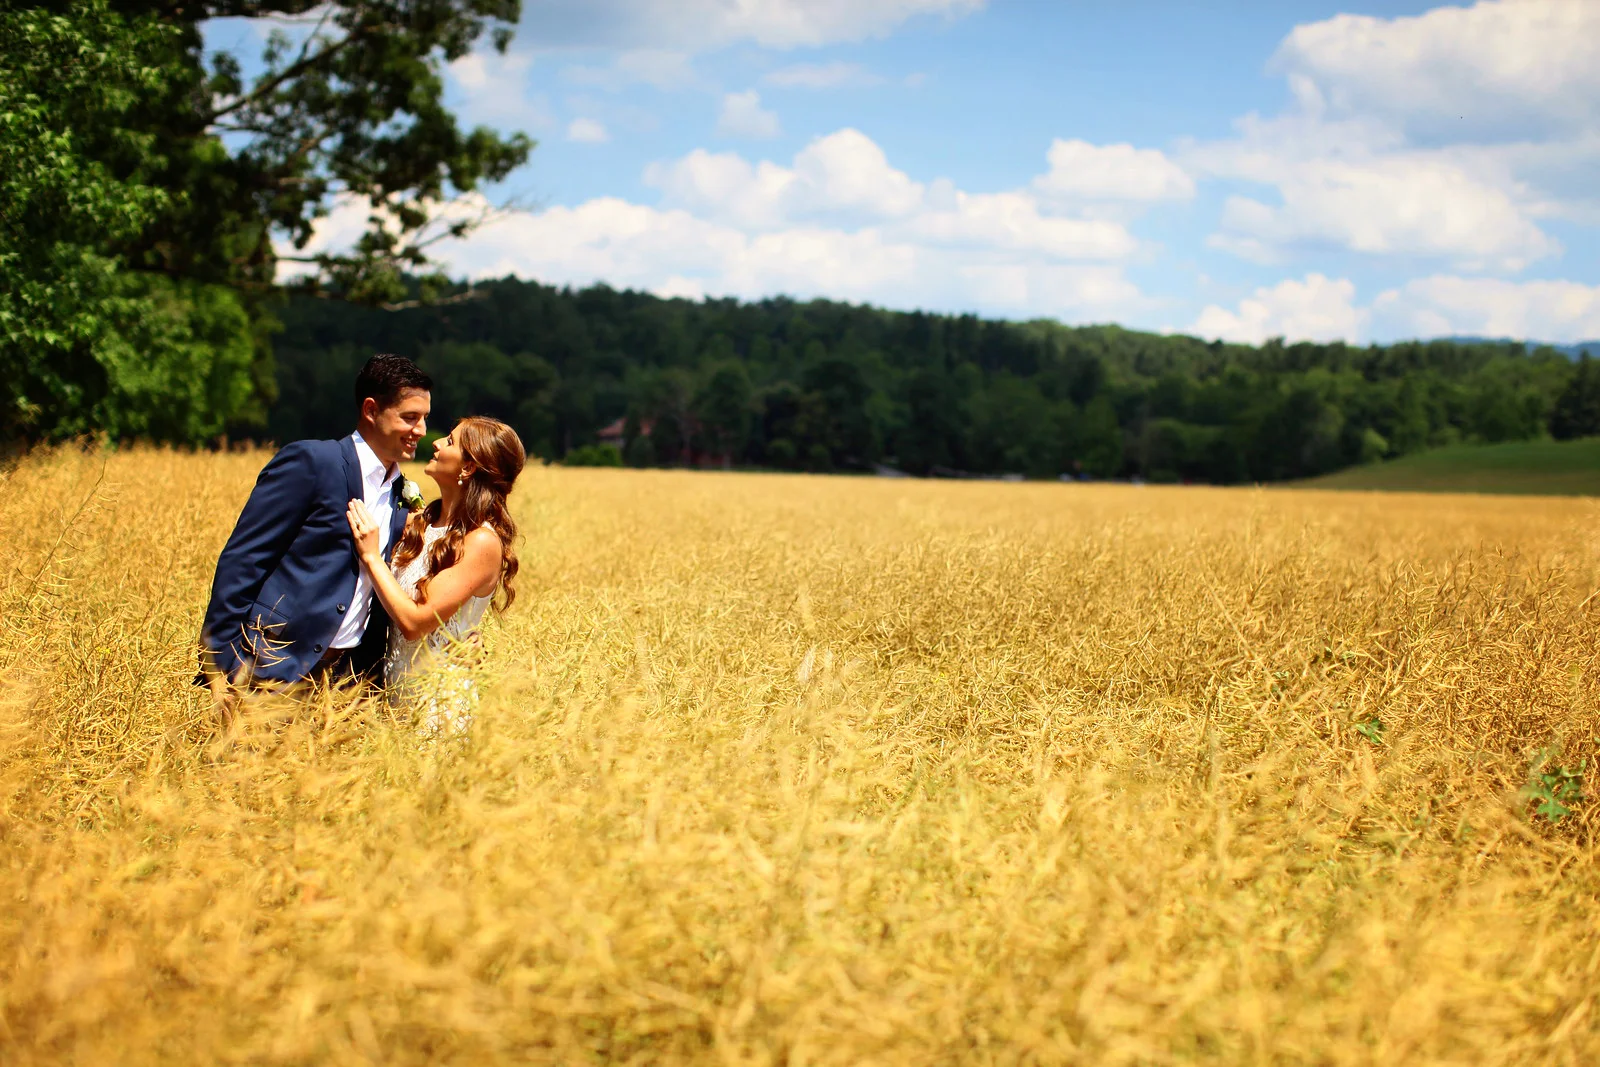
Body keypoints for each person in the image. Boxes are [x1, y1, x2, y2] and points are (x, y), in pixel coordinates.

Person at [197, 355, 432, 714]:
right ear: (371, 410)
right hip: (271, 664)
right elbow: (244, 559)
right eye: (410, 417)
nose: (421, 430)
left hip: (348, 683)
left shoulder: (402, 493)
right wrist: (220, 664)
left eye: (424, 419)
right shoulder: (313, 462)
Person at [345, 416, 524, 736]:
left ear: (469, 468)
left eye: (451, 441)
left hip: (437, 706)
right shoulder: (420, 522)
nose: (437, 442)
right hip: (391, 696)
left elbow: (415, 623)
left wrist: (371, 556)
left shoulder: (481, 541)